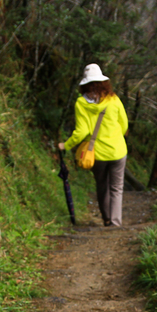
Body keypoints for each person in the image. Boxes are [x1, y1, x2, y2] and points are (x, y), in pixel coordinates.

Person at [58, 64, 129, 227]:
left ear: (84, 83)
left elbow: (81, 132)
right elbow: (124, 124)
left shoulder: (81, 103)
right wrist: (117, 135)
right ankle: (116, 223)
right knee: (116, 188)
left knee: (102, 185)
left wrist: (66, 145)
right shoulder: (113, 99)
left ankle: (106, 219)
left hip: (97, 154)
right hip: (118, 150)